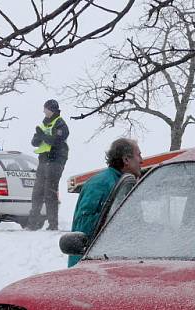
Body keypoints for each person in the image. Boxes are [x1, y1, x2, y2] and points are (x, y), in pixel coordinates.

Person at [67, 138, 142, 267]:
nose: (141, 160)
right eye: (139, 155)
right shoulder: (100, 184)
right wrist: (117, 216)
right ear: (126, 160)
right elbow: (83, 227)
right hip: (91, 268)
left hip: (116, 262)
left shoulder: (125, 184)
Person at [29, 99, 69, 230]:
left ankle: (53, 225)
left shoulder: (60, 124)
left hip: (56, 160)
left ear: (50, 109)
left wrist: (43, 137)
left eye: (45, 109)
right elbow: (34, 142)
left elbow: (56, 141)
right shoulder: (43, 125)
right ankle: (32, 224)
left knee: (49, 192)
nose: (43, 111)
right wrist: (39, 136)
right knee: (37, 192)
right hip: (43, 160)